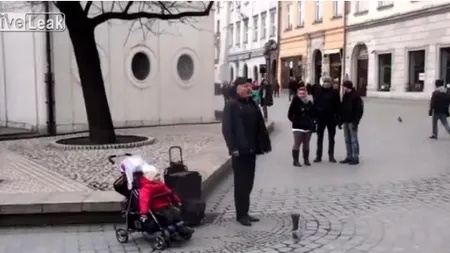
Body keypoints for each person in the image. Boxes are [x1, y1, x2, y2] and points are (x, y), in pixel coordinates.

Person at [222, 77, 272, 226]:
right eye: (245, 86)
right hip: (239, 150)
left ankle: (246, 212)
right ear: (238, 88)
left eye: (249, 86)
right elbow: (227, 129)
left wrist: (263, 144)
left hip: (252, 149)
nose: (249, 88)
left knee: (249, 183)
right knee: (241, 183)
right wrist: (232, 147)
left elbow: (260, 125)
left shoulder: (252, 104)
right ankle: (240, 214)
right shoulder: (232, 105)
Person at [138, 163, 193, 236]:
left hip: (166, 205)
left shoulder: (161, 185)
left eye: (158, 175)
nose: (158, 178)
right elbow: (144, 201)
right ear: (150, 178)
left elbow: (170, 193)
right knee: (168, 216)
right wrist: (144, 212)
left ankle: (181, 227)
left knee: (176, 213)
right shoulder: (146, 188)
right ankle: (172, 231)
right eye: (155, 176)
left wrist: (177, 200)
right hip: (156, 207)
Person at [313, 76, 341, 163]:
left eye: (328, 82)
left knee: (331, 138)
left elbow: (338, 106)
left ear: (330, 83)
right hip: (321, 118)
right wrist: (315, 117)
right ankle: (318, 156)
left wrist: (338, 118)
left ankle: (331, 155)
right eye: (325, 82)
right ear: (323, 83)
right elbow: (315, 104)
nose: (326, 84)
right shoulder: (318, 91)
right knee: (319, 138)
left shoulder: (335, 92)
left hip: (331, 118)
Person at [288, 86, 316, 167]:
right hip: (297, 126)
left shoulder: (309, 102)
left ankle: (306, 159)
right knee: (297, 143)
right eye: (300, 93)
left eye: (303, 93)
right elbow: (290, 114)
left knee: (306, 143)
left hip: (307, 126)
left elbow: (313, 113)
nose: (302, 95)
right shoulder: (295, 101)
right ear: (297, 94)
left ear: (306, 94)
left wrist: (312, 121)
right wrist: (295, 120)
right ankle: (295, 161)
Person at [339, 80, 364, 165]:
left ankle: (355, 157)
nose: (343, 88)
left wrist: (355, 122)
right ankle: (349, 156)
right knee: (347, 140)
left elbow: (359, 111)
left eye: (344, 86)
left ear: (348, 87)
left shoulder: (356, 96)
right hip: (346, 121)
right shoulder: (345, 95)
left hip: (352, 122)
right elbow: (342, 108)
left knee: (354, 140)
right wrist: (340, 121)